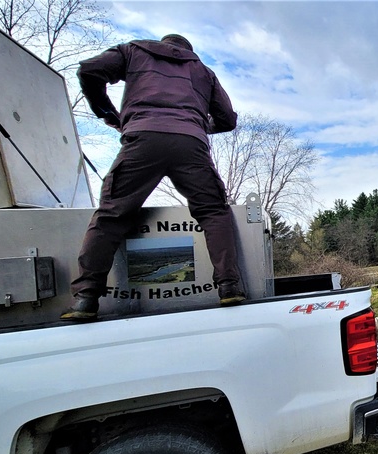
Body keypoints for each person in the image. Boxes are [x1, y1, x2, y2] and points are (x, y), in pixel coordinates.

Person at [62, 34, 244, 321]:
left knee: (111, 215)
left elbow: (89, 70)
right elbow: (228, 120)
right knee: (213, 212)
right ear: (188, 51)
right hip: (191, 145)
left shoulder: (134, 51)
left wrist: (108, 112)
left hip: (142, 138)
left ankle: (86, 298)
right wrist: (194, 124)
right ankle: (230, 287)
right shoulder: (203, 71)